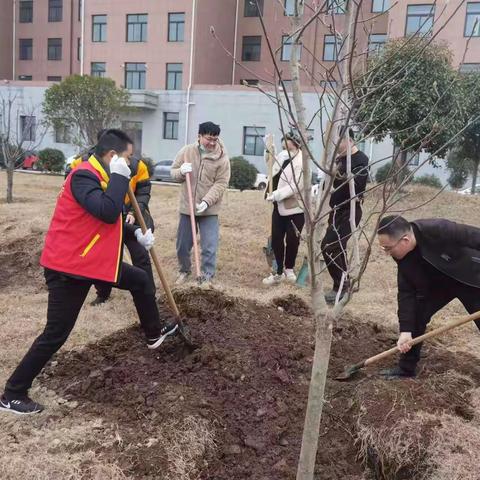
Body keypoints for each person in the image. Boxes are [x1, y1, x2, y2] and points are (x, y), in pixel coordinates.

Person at [0, 129, 178, 415]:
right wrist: (120, 177)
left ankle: (153, 334)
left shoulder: (104, 177)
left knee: (141, 280)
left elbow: (116, 215)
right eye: (127, 159)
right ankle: (12, 393)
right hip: (68, 267)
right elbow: (106, 211)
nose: (131, 165)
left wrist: (136, 233)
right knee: (56, 332)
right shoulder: (83, 176)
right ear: (111, 156)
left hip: (92, 262)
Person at [377, 215, 480, 379]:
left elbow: (473, 236)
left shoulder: (436, 229)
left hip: (469, 277)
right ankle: (406, 369)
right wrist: (405, 330)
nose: (387, 254)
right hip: (436, 286)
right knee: (416, 318)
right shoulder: (403, 258)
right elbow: (406, 293)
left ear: (405, 240)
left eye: (388, 248)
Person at [66, 130, 155, 306]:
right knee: (103, 258)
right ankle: (103, 292)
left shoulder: (137, 166)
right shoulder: (83, 165)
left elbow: (143, 192)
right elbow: (76, 189)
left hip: (131, 216)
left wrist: (132, 214)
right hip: (101, 219)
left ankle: (148, 293)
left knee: (141, 256)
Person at [171, 121, 230, 286]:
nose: (212, 143)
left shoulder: (222, 158)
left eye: (215, 139)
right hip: (187, 207)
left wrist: (206, 201)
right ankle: (184, 270)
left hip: (209, 209)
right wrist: (181, 172)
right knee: (183, 245)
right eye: (208, 139)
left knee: (209, 246)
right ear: (199, 136)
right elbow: (173, 172)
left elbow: (221, 183)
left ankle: (207, 276)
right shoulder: (187, 151)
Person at [321, 128, 369, 304]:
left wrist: (340, 174)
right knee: (330, 247)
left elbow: (356, 187)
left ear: (349, 140)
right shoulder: (339, 159)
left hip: (350, 211)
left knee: (331, 247)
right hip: (336, 211)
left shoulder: (361, 160)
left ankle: (341, 287)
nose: (336, 145)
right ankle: (341, 284)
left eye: (339, 141)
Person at [262, 131, 305, 286]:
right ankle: (279, 270)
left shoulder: (301, 161)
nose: (284, 143)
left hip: (295, 208)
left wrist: (277, 194)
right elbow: (270, 165)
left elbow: (296, 186)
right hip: (278, 205)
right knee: (277, 238)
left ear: (295, 143)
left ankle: (289, 268)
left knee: (293, 240)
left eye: (287, 141)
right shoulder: (283, 156)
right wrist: (268, 149)